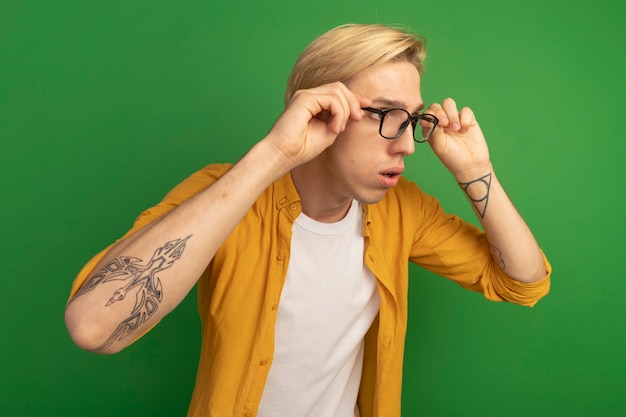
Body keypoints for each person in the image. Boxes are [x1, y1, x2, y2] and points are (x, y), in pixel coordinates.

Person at [64, 23, 551, 417]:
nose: (404, 143)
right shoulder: (225, 194)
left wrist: (475, 170)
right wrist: (273, 155)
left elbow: (521, 281)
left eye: (412, 119)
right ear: (320, 108)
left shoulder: (403, 209)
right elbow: (94, 326)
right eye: (384, 114)